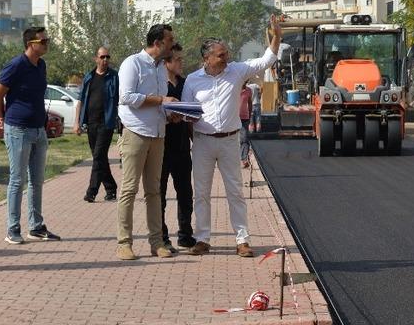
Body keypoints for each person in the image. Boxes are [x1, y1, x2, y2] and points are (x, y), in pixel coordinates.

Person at [183, 15, 287, 257]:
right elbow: (187, 111)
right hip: (202, 142)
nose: (226, 58)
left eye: (226, 53)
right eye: (221, 55)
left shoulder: (237, 71)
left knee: (235, 192)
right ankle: (202, 239)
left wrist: (277, 35)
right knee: (201, 193)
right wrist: (194, 136)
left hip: (230, 141)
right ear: (206, 59)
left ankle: (242, 240)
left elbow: (266, 60)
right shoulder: (192, 80)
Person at [116, 24, 177, 260]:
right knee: (129, 189)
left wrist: (171, 111)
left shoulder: (161, 68)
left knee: (154, 191)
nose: (172, 44)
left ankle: (156, 242)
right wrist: (161, 99)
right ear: (158, 43)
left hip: (158, 133)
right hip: (135, 133)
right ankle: (124, 243)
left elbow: (161, 102)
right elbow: (126, 97)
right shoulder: (132, 63)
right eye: (169, 39)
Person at [0, 27, 61, 244]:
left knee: (37, 180)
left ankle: (36, 227)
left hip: (38, 130)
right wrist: (2, 117)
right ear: (31, 43)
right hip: (18, 129)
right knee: (17, 180)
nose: (46, 44)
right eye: (43, 41)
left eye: (47, 40)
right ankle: (12, 230)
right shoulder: (16, 65)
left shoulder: (40, 65)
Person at [160, 43, 196, 252]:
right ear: (167, 62)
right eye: (178, 60)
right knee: (160, 193)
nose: (182, 63)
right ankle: (162, 236)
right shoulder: (158, 86)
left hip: (182, 145)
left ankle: (185, 234)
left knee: (185, 192)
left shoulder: (185, 84)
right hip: (162, 146)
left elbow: (192, 111)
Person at [74, 46, 119, 203]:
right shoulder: (89, 77)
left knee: (98, 156)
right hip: (91, 124)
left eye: (107, 57)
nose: (105, 60)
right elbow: (80, 101)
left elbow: (121, 100)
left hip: (106, 123)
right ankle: (111, 188)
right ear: (96, 58)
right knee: (99, 157)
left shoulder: (114, 77)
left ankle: (91, 191)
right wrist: (77, 122)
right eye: (102, 57)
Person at [239, 82, 252, 168]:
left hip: (244, 118)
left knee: (244, 138)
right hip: (233, 118)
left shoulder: (248, 91)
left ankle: (244, 159)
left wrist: (250, 114)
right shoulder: (234, 89)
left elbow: (250, 103)